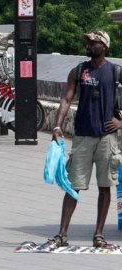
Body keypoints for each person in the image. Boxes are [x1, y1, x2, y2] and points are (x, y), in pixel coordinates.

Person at [49, 29, 122, 248]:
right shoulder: (79, 71)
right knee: (73, 186)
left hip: (107, 138)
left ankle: (98, 234)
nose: (88, 46)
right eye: (88, 43)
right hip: (82, 136)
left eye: (93, 43)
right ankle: (62, 234)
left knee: (104, 187)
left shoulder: (116, 71)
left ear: (104, 47)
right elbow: (66, 99)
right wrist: (57, 126)